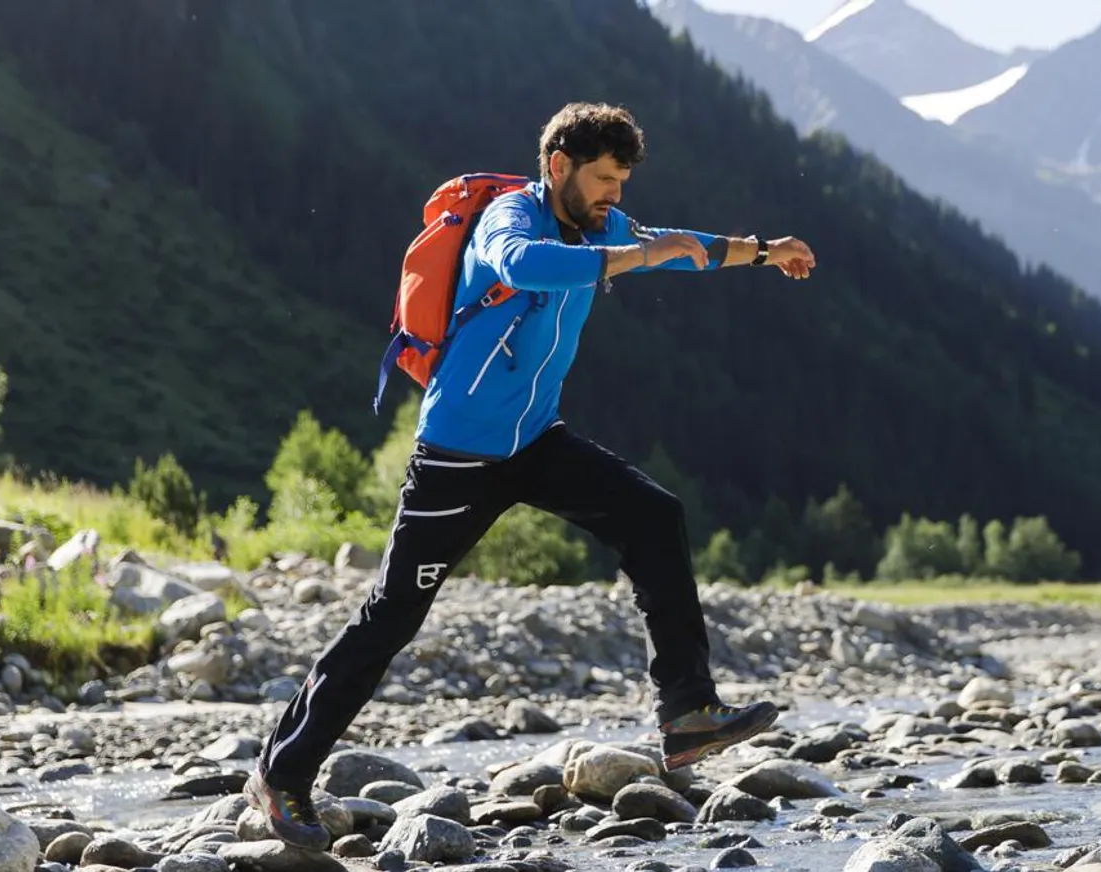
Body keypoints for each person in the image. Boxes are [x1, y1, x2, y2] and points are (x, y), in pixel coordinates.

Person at [243, 101, 815, 851]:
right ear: (559, 167)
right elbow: (523, 265)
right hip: (457, 454)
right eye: (604, 178)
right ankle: (281, 775)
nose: (615, 194)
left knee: (653, 515)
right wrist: (636, 256)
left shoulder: (604, 226)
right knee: (392, 617)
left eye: (622, 180)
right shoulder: (509, 220)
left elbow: (683, 247)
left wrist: (765, 249)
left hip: (536, 443)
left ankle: (686, 715)